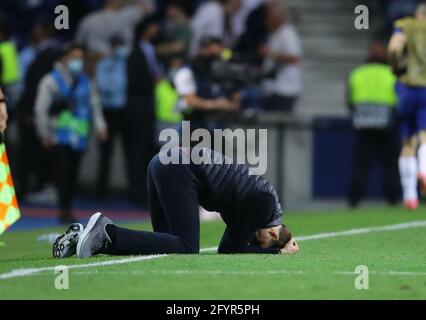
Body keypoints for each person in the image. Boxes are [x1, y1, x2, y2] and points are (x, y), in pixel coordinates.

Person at [53, 147, 300, 258]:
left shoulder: (261, 200)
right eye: (261, 241)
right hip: (178, 169)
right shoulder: (265, 204)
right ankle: (107, 234)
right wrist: (278, 253)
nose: (254, 240)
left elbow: (230, 244)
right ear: (271, 231)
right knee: (186, 246)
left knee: (166, 246)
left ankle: (83, 239)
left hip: (164, 163)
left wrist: (277, 245)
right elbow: (233, 249)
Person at [34, 44, 107, 223]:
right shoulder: (51, 80)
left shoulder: (86, 81)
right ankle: (64, 208)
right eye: (73, 57)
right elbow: (40, 108)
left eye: (80, 58)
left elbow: (94, 105)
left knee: (73, 173)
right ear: (64, 59)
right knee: (63, 172)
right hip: (58, 135)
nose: (77, 62)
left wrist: (100, 126)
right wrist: (43, 133)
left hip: (79, 135)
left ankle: (67, 206)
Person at [347, 42, 399, 208]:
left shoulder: (357, 73)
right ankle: (393, 199)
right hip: (388, 126)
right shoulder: (393, 74)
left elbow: (349, 102)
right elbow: (400, 101)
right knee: (390, 164)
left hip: (364, 126)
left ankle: (354, 200)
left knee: (361, 165)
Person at [388, 2, 426, 210]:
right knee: (424, 135)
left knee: (407, 141)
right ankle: (424, 170)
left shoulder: (405, 25)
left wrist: (395, 67)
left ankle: (410, 195)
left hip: (405, 88)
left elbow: (394, 47)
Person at [16, 20, 59, 200]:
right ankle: (40, 186)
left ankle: (45, 186)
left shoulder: (48, 54)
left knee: (37, 150)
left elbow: (36, 87)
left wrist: (29, 112)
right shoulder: (41, 53)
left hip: (38, 110)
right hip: (36, 109)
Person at [126, 16, 161, 207]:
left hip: (149, 110)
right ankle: (137, 194)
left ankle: (145, 193)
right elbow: (134, 81)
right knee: (137, 153)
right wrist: (153, 82)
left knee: (147, 152)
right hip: (138, 110)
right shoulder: (135, 52)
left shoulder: (151, 50)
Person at [172, 37, 238, 134]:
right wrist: (216, 104)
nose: (215, 57)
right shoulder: (186, 72)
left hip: (214, 127)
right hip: (190, 127)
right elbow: (190, 100)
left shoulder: (213, 73)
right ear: (202, 50)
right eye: (212, 53)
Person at [95, 35, 130, 198]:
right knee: (105, 153)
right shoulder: (104, 64)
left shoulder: (128, 63)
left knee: (129, 153)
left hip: (125, 112)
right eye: (117, 45)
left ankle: (133, 191)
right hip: (108, 111)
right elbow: (103, 85)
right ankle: (101, 191)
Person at [261, 0, 302, 112]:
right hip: (275, 88)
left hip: (285, 89)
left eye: (268, 16)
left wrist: (269, 54)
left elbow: (294, 57)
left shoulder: (287, 33)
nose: (266, 20)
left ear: (276, 17)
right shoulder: (275, 33)